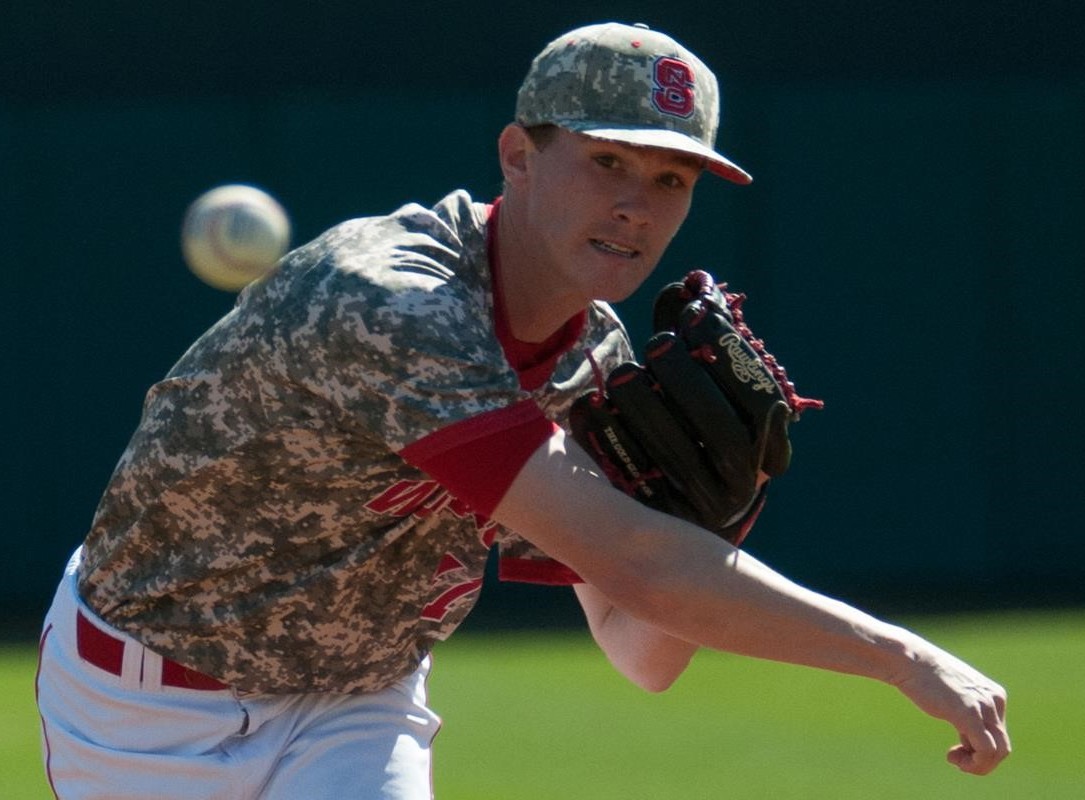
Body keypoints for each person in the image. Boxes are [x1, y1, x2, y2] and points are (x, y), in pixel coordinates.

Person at [35, 21, 1010, 799]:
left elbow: (641, 646)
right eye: (606, 162)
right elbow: (643, 570)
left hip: (355, 700)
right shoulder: (395, 303)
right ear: (517, 155)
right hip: (148, 704)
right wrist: (900, 656)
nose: (636, 204)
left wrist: (713, 504)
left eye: (668, 179)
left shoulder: (594, 356)